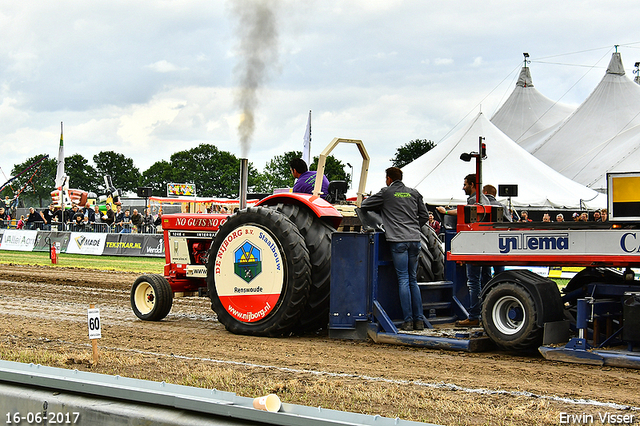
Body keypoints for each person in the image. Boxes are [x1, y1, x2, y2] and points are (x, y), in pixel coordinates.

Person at [361, 167, 429, 331]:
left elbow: (365, 205)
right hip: (415, 240)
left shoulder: (386, 193)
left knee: (403, 279)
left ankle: (408, 321)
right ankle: (419, 320)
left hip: (398, 241)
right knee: (413, 280)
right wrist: (414, 228)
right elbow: (425, 216)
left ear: (389, 179)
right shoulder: (414, 193)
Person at [436, 174, 488, 327]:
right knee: (483, 280)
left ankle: (474, 316)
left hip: (475, 247)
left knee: (473, 282)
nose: (463, 187)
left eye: (465, 184)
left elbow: (465, 212)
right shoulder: (484, 199)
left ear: (472, 184)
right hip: (483, 246)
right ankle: (481, 313)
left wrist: (445, 212)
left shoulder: (475, 201)